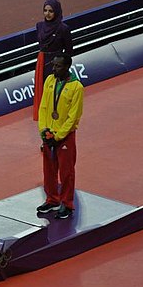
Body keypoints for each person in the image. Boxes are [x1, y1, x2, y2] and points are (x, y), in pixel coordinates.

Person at [37, 53, 83, 219]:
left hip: (65, 136)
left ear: (67, 67)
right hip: (48, 133)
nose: (54, 69)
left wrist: (58, 136)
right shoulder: (49, 80)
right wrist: (43, 129)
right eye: (54, 65)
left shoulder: (77, 87)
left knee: (66, 172)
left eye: (58, 66)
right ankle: (52, 199)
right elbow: (43, 107)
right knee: (48, 170)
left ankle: (67, 204)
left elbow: (73, 117)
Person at [33, 0, 73, 121]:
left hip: (57, 63)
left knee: (56, 89)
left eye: (51, 11)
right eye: (45, 10)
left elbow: (69, 50)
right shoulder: (39, 26)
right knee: (44, 89)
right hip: (42, 62)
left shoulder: (63, 28)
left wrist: (62, 65)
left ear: (56, 11)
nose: (47, 14)